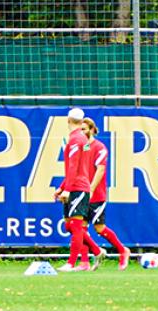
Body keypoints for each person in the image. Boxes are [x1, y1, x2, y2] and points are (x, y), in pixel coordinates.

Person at [81, 118, 129, 270]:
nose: (81, 132)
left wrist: (91, 189)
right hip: (80, 193)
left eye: (84, 129)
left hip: (96, 195)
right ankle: (84, 263)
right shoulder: (81, 148)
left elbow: (100, 170)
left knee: (99, 228)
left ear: (91, 129)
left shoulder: (100, 147)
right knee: (79, 228)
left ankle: (123, 251)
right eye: (79, 129)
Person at [53, 108, 92, 272]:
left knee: (76, 227)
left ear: (68, 120)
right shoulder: (81, 139)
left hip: (78, 187)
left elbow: (74, 165)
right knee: (69, 226)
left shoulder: (76, 139)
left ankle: (71, 263)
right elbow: (75, 168)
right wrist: (62, 187)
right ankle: (97, 251)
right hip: (74, 185)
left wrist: (67, 189)